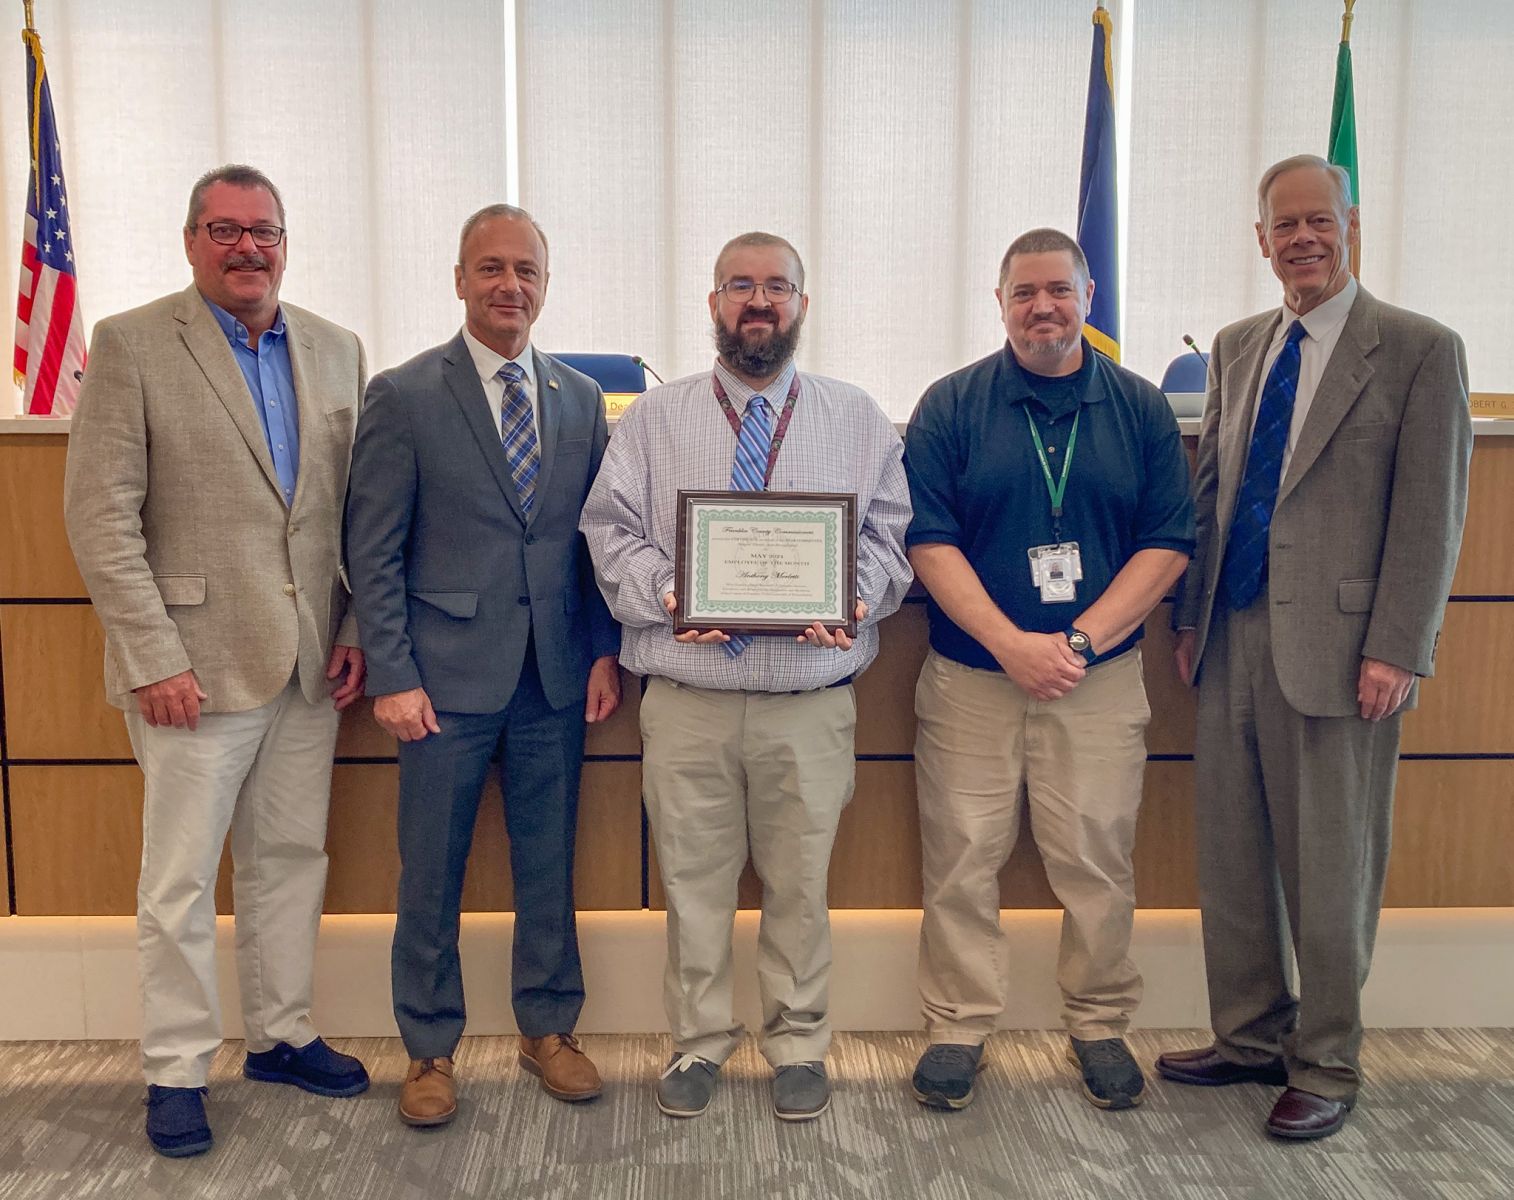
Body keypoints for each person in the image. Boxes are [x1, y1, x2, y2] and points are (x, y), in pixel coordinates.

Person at [1156, 155, 1473, 1140]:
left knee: (1330, 862)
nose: (1299, 238)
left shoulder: (1416, 348)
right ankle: (1249, 1035)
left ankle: (1326, 1059)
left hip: (1342, 651)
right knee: (1234, 851)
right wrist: (1187, 619)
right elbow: (1213, 495)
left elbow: (1430, 512)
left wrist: (1397, 648)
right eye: (1281, 225)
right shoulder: (1237, 344)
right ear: (1259, 239)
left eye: (1316, 222)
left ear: (1350, 226)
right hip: (1232, 633)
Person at [63, 164, 370, 1158]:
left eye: (265, 231)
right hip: (188, 670)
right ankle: (177, 1066)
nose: (249, 248)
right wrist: (152, 653)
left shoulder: (334, 349)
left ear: (286, 241)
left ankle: (280, 1034)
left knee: (289, 861)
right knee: (181, 882)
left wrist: (355, 630)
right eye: (226, 230)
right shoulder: (132, 344)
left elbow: (350, 516)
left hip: (309, 663)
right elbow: (99, 517)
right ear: (191, 239)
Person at [580, 231, 912, 1122]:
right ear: (713, 302)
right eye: (739, 286)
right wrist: (673, 591)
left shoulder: (858, 418)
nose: (757, 302)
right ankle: (698, 1042)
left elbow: (890, 539)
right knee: (692, 886)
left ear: (803, 303)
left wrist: (847, 595)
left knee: (802, 886)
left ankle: (799, 1041)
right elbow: (608, 532)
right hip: (688, 698)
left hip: (809, 699)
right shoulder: (652, 420)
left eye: (776, 287)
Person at [903, 227, 1193, 1113]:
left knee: (1097, 858)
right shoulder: (951, 405)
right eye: (1024, 293)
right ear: (999, 303)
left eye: (1058, 291)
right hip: (970, 680)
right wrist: (1011, 644)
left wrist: (1075, 645)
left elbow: (1168, 542)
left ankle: (1101, 1023)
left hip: (1097, 682)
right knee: (959, 858)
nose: (1042, 308)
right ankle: (957, 1026)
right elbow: (929, 541)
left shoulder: (1141, 409)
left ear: (1088, 296)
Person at [345, 203, 621, 1128]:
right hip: (439, 682)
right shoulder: (406, 393)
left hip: (553, 676)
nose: (511, 286)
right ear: (459, 279)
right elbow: (372, 549)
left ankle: (549, 1030)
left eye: (527, 271)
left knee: (550, 864)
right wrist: (392, 671)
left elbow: (596, 542)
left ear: (547, 284)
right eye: (491, 269)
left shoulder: (581, 399)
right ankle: (428, 1047)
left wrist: (602, 653)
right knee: (431, 871)